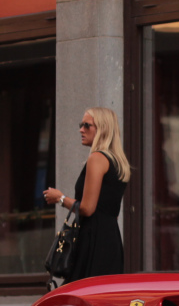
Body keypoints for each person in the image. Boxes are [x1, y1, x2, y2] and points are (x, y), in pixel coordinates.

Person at [43, 107, 130, 281]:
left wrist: (59, 198)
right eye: (81, 125)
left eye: (87, 125)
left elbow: (88, 208)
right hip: (110, 237)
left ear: (102, 129)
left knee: (80, 297)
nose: (81, 129)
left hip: (93, 240)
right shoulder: (117, 161)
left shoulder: (97, 158)